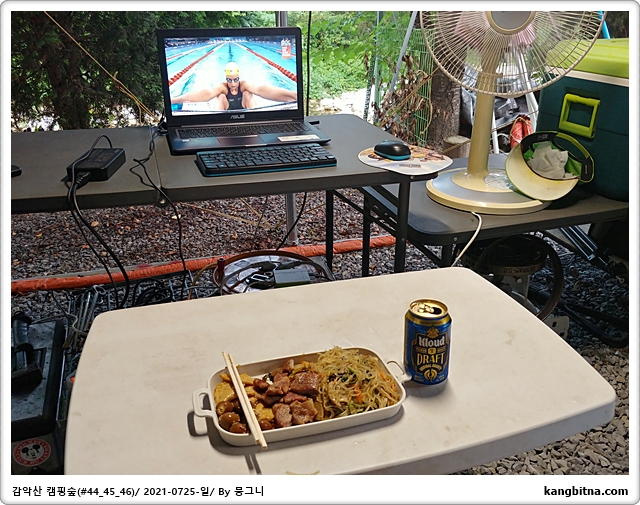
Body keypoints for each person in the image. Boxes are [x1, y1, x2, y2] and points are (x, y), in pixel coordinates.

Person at [171, 62, 297, 110]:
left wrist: (294, 95)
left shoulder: (244, 85)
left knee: (248, 93)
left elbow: (262, 90)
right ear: (225, 79)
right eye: (229, 80)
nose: (232, 84)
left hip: (246, 111)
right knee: (220, 96)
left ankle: (254, 122)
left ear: (239, 77)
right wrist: (175, 100)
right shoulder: (223, 87)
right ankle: (219, 125)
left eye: (235, 80)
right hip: (225, 113)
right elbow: (206, 94)